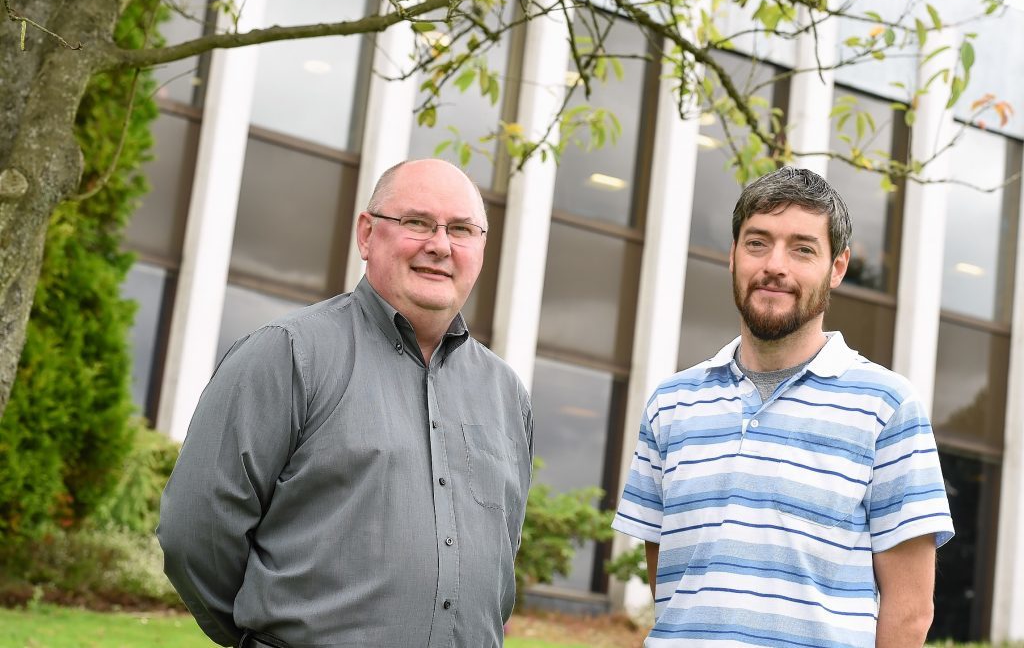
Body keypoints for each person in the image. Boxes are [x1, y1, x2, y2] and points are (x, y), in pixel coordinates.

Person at [158, 158, 534, 648]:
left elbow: (502, 555)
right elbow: (195, 533)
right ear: (366, 234)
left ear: (481, 249)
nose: (439, 246)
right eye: (417, 222)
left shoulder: (506, 395)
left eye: (461, 229)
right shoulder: (287, 355)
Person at [613, 166, 954, 648]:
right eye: (757, 243)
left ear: (837, 267)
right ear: (733, 256)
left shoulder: (888, 408)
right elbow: (670, 581)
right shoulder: (671, 404)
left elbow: (911, 611)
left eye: (802, 249)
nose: (776, 265)